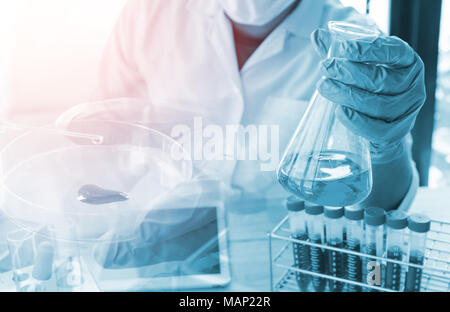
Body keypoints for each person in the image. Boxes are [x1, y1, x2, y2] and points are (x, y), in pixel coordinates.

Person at [62, 0, 425, 269]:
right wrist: (92, 223)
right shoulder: (149, 15)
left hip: (283, 268)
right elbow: (105, 143)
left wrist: (387, 147)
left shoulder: (357, 45)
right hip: (158, 264)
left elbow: (379, 209)